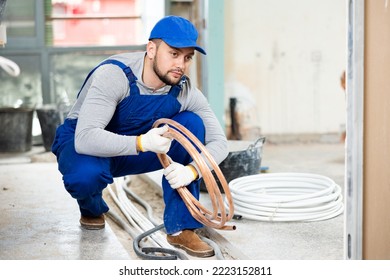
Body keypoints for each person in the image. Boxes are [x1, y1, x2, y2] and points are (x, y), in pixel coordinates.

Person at [52, 15, 228, 258]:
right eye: (174, 54)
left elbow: (220, 143)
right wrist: (142, 142)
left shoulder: (185, 90)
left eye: (187, 57)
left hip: (136, 150)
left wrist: (193, 170)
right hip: (87, 146)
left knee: (192, 124)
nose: (181, 64)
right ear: (152, 49)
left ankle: (181, 228)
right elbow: (86, 138)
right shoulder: (115, 75)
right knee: (85, 177)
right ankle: (91, 206)